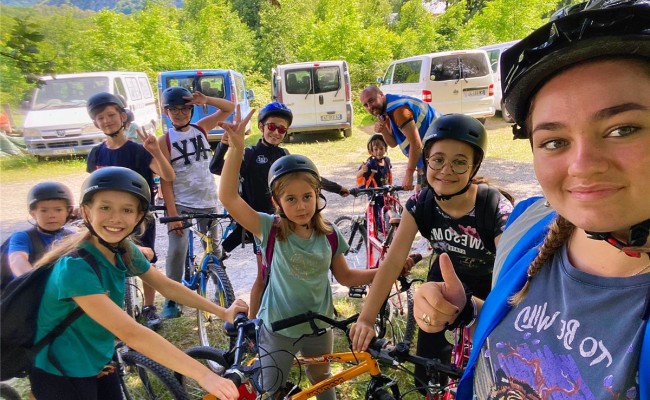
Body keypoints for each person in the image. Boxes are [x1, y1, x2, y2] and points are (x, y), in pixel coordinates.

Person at [413, 0, 650, 397]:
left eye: (622, 129)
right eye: (555, 141)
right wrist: (467, 312)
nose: (583, 165)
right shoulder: (529, 225)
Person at [29, 166, 248, 400]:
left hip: (99, 360)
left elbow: (167, 286)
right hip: (60, 371)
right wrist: (204, 375)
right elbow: (131, 333)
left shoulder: (123, 249)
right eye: (105, 207)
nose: (116, 218)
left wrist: (223, 312)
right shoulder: (74, 268)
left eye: (127, 210)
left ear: (138, 217)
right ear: (86, 211)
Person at [218, 109, 377, 400]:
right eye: (290, 199)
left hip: (319, 327)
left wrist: (384, 272)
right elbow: (229, 198)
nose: (301, 206)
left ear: (318, 195)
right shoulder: (268, 227)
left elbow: (346, 276)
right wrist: (237, 149)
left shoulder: (329, 233)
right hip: (278, 328)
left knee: (323, 381)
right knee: (272, 388)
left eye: (307, 197)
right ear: (276, 202)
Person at [349, 114, 513, 387]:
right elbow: (391, 264)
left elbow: (513, 275)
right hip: (440, 288)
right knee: (431, 378)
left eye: (459, 162)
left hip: (486, 291)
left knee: (485, 378)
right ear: (426, 161)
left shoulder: (494, 208)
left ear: (474, 167)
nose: (446, 169)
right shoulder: (420, 203)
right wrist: (366, 319)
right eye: (438, 160)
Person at [210, 102, 351, 318]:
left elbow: (308, 178)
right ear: (260, 126)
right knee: (263, 275)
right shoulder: (249, 153)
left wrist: (337, 187)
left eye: (282, 129)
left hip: (286, 222)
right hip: (260, 225)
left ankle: (314, 307)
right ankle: (253, 322)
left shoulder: (284, 154)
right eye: (272, 127)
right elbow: (216, 168)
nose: (276, 132)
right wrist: (226, 145)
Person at [86, 92, 175, 330]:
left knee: (146, 260)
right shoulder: (96, 153)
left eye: (111, 115)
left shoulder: (137, 150)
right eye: (101, 117)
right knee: (105, 261)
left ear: (122, 117)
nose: (107, 121)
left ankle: (148, 306)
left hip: (138, 218)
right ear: (96, 123)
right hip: (106, 219)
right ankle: (111, 309)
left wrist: (155, 151)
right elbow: (90, 187)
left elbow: (168, 175)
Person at [158, 86, 235, 319]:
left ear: (191, 110)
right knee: (178, 248)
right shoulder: (165, 141)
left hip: (208, 201)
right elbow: (165, 180)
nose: (180, 113)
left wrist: (206, 99)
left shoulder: (201, 129)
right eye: (174, 110)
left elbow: (229, 108)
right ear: (166, 112)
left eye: (185, 108)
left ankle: (219, 286)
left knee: (214, 249)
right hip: (181, 203)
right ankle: (172, 298)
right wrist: (172, 215)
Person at [359, 86, 440, 191]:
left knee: (429, 199)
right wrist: (383, 130)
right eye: (366, 105)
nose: (370, 107)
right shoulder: (385, 112)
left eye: (371, 100)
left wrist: (409, 173)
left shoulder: (399, 111)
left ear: (381, 94)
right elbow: (393, 143)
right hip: (428, 157)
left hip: (442, 148)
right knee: (421, 194)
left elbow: (416, 144)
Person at [6, 182, 75, 277]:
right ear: (33, 214)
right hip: (32, 288)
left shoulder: (73, 237)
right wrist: (31, 280)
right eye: (44, 210)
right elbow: (17, 258)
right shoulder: (23, 237)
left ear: (68, 212)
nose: (51, 215)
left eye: (58, 210)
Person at [356, 133, 393, 233]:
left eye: (381, 148)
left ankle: (386, 230)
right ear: (371, 151)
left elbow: (388, 174)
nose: (379, 151)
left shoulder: (387, 161)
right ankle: (371, 230)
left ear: (385, 148)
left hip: (384, 193)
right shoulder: (371, 163)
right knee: (375, 216)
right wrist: (363, 170)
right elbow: (358, 176)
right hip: (374, 194)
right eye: (376, 149)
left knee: (389, 210)